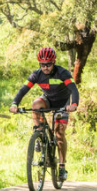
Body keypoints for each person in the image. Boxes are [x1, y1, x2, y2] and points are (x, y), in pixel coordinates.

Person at [9, 47, 79, 181]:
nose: (45, 67)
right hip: (48, 100)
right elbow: (23, 90)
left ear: (54, 62)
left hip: (63, 104)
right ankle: (40, 133)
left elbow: (73, 89)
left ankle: (62, 166)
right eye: (42, 64)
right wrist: (14, 104)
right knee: (35, 105)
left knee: (59, 135)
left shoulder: (62, 73)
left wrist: (74, 104)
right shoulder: (36, 75)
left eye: (48, 64)